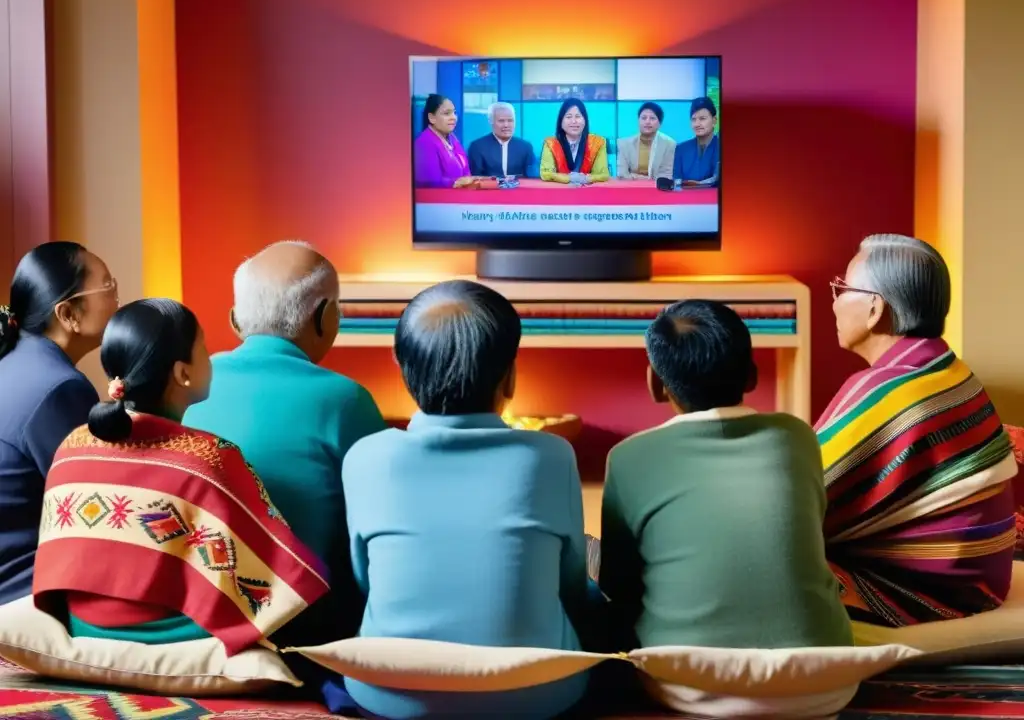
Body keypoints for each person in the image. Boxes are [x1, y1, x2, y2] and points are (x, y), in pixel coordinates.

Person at [342, 280, 591, 719]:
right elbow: (569, 585)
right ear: (510, 376)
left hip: (390, 695)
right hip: (538, 694)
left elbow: (366, 581)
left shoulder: (366, 457)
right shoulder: (551, 456)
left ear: (403, 368)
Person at [33, 298, 329, 653]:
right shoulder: (210, 457)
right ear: (182, 373)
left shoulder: (71, 447)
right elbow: (277, 573)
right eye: (202, 347)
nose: (210, 356)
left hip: (83, 625)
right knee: (316, 580)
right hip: (173, 634)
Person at [600, 299, 851, 656]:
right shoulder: (797, 437)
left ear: (656, 383)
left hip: (686, 684)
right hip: (826, 677)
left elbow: (618, 584)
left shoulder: (628, 457)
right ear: (752, 374)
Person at [184, 240, 386, 643]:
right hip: (306, 625)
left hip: (197, 618)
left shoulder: (187, 385)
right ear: (326, 317)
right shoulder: (346, 400)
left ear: (234, 320)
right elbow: (382, 519)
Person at [819, 234, 1017, 627]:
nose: (834, 301)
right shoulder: (946, 368)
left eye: (842, 288)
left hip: (929, 593)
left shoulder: (888, 391)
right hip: (980, 579)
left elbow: (796, 499)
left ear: (875, 309)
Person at [0, 242, 118, 606]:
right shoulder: (59, 388)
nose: (117, 298)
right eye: (107, 286)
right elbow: (96, 506)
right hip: (20, 589)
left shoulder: (17, 362)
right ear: (68, 313)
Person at [539, 98, 610, 185]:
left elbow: (603, 175)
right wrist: (570, 178)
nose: (574, 121)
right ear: (561, 121)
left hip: (588, 194)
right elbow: (546, 174)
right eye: (568, 117)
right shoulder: (551, 143)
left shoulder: (598, 142)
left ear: (585, 120)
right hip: (559, 194)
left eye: (578, 116)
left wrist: (585, 178)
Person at [413, 94, 474, 188]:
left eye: (454, 113)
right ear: (432, 118)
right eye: (447, 113)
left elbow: (465, 170)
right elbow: (430, 182)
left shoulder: (453, 139)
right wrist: (456, 183)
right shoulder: (424, 143)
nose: (453, 117)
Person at [467, 102, 536, 178]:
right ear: (491, 121)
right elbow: (475, 178)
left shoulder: (525, 147)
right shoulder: (477, 147)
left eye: (510, 121)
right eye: (501, 121)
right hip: (488, 189)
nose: (506, 125)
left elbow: (531, 177)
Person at [616, 102, 676, 180]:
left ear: (659, 123)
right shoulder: (624, 144)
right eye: (644, 118)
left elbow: (666, 175)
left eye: (652, 118)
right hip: (630, 188)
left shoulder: (669, 144)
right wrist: (647, 179)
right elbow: (622, 175)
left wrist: (635, 176)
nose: (647, 122)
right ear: (638, 121)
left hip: (658, 190)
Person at [671, 97, 720, 186]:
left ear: (714, 120)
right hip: (686, 197)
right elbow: (676, 179)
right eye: (694, 119)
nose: (697, 124)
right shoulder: (681, 149)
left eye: (702, 118)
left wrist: (700, 184)